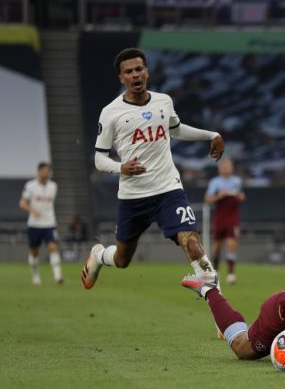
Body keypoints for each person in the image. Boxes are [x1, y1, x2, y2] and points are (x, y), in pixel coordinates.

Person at [80, 47, 225, 289]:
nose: (135, 75)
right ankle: (98, 255)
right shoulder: (111, 113)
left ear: (146, 71)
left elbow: (175, 129)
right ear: (121, 78)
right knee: (122, 259)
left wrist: (212, 134)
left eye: (139, 69)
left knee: (191, 243)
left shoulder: (163, 101)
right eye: (129, 72)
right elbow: (99, 159)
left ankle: (221, 314)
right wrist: (121, 167)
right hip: (133, 197)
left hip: (169, 189)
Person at [19, 162, 63, 285]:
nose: (45, 173)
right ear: (38, 172)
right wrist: (32, 210)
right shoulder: (30, 186)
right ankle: (35, 275)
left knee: (53, 247)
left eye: (47, 171)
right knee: (34, 251)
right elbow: (22, 203)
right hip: (34, 224)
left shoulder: (53, 186)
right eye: (43, 171)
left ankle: (58, 276)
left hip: (49, 223)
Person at [204, 158, 245, 285]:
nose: (226, 168)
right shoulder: (215, 182)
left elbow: (241, 196)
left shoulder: (237, 181)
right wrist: (219, 196)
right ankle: (215, 271)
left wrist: (240, 196)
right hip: (220, 216)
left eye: (229, 166)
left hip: (232, 217)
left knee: (232, 244)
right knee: (217, 246)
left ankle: (231, 274)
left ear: (232, 168)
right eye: (224, 166)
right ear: (220, 168)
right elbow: (208, 199)